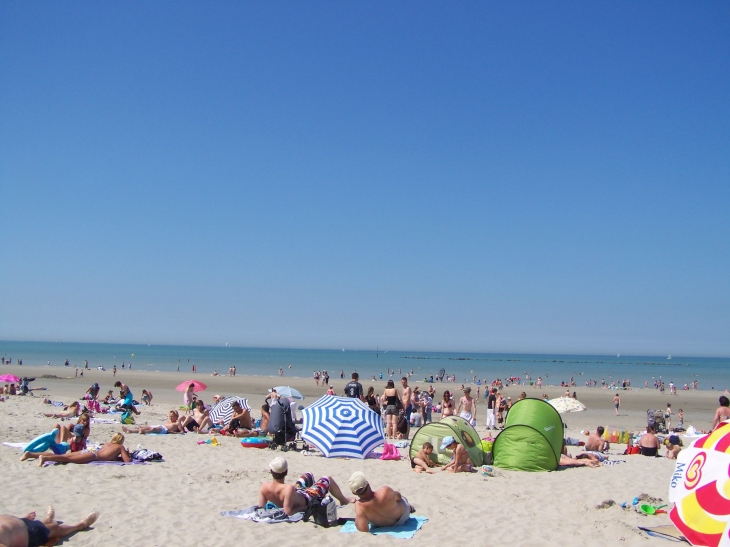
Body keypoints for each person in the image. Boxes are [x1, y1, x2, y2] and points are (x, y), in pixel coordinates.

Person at [258, 457, 354, 516]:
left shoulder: (264, 487)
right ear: (286, 472)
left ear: (271, 471)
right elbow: (288, 512)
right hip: (308, 497)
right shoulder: (288, 488)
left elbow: (261, 509)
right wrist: (303, 507)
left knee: (308, 475)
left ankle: (319, 493)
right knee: (327, 479)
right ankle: (344, 500)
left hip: (297, 492)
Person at [0, 507, 99, 547]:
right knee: (55, 528)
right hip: (29, 533)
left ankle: (47, 520)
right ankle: (79, 526)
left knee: (43, 525)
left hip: (19, 522)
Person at [349, 471, 415, 531]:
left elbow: (363, 529)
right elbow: (399, 497)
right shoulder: (385, 491)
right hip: (401, 518)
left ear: (354, 493)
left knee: (359, 518)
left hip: (379, 525)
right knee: (403, 498)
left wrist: (357, 521)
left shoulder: (359, 506)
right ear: (368, 483)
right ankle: (410, 507)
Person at [34, 433, 131, 467]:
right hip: (93, 456)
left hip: (90, 451)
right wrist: (127, 454)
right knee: (68, 459)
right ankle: (45, 458)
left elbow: (109, 456)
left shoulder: (107, 444)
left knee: (66, 456)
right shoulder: (120, 447)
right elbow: (127, 461)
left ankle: (30, 454)